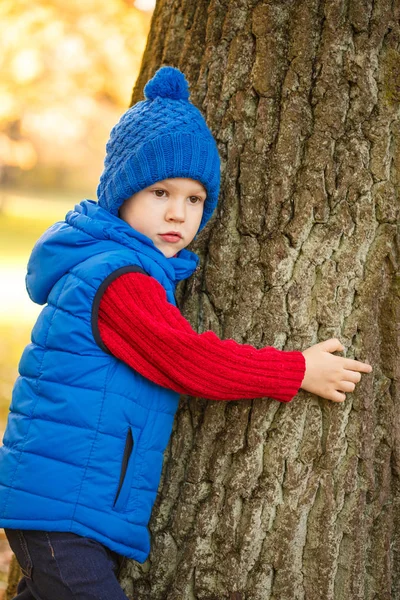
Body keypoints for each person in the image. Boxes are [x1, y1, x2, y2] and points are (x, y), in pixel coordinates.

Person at [0, 66, 372, 600]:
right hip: (62, 509)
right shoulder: (119, 282)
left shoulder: (132, 270)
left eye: (194, 199)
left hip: (74, 504)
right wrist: (298, 369)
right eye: (159, 192)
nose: (178, 213)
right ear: (123, 194)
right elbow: (188, 359)